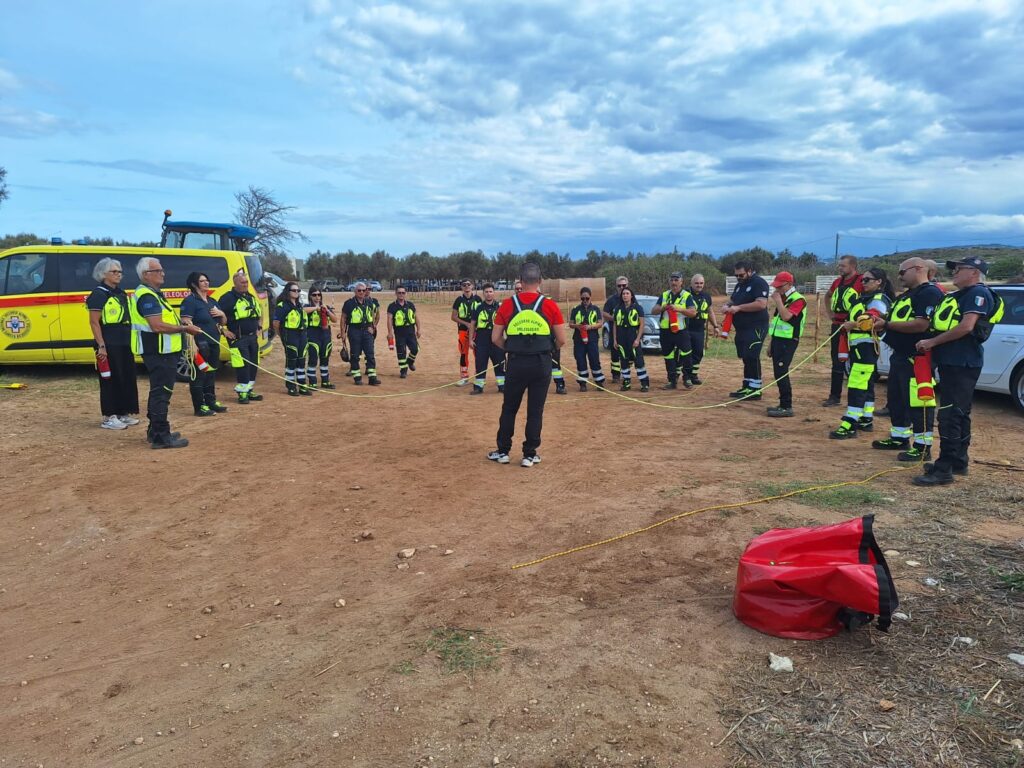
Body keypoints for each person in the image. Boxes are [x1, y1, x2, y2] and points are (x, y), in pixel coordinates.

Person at [912, 257, 1002, 486]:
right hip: (955, 361)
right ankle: (958, 462)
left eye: (959, 269)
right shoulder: (963, 294)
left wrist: (932, 341)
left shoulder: (976, 294)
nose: (954, 273)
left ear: (974, 272)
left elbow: (966, 326)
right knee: (959, 413)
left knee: (951, 414)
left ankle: (944, 469)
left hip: (962, 362)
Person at [487, 263, 566, 467]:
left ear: (520, 282)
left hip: (516, 362)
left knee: (509, 408)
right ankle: (529, 454)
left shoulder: (507, 304)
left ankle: (503, 451)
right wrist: (548, 350)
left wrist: (511, 348)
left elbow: (495, 338)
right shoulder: (550, 305)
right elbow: (562, 339)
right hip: (541, 364)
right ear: (540, 282)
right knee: (535, 410)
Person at [872, 257, 944, 460]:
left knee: (919, 402)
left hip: (918, 359)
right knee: (897, 399)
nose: (899, 276)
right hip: (901, 356)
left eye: (902, 272)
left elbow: (921, 324)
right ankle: (899, 437)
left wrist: (886, 326)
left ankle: (922, 447)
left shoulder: (929, 292)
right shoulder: (908, 294)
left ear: (918, 269)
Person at [128, 256, 201, 448]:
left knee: (159, 391)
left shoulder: (153, 293)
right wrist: (185, 329)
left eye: (161, 270)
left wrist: (180, 323)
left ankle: (155, 431)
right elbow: (157, 326)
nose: (162, 274)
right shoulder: (147, 296)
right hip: (158, 352)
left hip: (163, 351)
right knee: (162, 392)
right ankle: (161, 436)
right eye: (157, 271)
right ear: (146, 275)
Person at [828, 268, 894, 437]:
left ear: (879, 282)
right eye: (862, 280)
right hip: (858, 347)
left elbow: (874, 319)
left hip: (866, 348)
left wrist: (853, 325)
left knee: (857, 385)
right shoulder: (864, 298)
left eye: (867, 280)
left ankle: (850, 423)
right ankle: (866, 418)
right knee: (866, 383)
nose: (862, 283)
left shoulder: (878, 299)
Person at [86, 257, 139, 430]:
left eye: (119, 272)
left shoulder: (121, 293)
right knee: (110, 379)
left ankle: (123, 413)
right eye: (114, 272)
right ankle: (109, 416)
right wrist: (101, 345)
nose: (118, 275)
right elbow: (94, 322)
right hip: (109, 342)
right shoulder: (98, 294)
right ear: (103, 274)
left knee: (126, 377)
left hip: (124, 342)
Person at [180, 271, 229, 416]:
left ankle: (211, 402)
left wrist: (222, 315)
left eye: (207, 280)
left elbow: (223, 322)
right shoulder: (190, 301)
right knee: (199, 374)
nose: (206, 283)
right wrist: (192, 345)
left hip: (214, 342)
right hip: (199, 343)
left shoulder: (212, 301)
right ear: (194, 284)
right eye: (202, 281)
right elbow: (185, 322)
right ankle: (199, 406)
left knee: (211, 373)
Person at [723, 260, 770, 400]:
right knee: (745, 356)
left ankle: (755, 389)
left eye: (741, 275)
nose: (738, 278)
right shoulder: (740, 285)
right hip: (742, 328)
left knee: (752, 355)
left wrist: (738, 308)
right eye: (736, 275)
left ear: (750, 271)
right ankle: (748, 385)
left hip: (756, 326)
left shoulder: (759, 283)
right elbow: (733, 300)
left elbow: (761, 304)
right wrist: (727, 306)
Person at [764, 272, 807, 417]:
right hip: (778, 340)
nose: (777, 289)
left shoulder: (798, 299)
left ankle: (787, 406)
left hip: (788, 342)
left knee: (782, 372)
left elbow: (786, 316)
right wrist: (771, 344)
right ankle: (782, 404)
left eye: (779, 286)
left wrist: (778, 301)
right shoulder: (783, 298)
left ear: (789, 285)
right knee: (778, 372)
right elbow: (777, 323)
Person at [219, 270, 264, 404]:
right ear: (235, 283)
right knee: (242, 365)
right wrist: (223, 331)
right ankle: (242, 393)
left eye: (246, 282)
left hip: (252, 338)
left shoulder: (250, 297)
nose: (245, 284)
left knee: (253, 364)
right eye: (243, 282)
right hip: (238, 339)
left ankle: (249, 390)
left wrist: (259, 328)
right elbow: (215, 316)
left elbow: (259, 313)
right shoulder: (227, 298)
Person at [823, 255, 863, 406]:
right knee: (837, 361)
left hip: (855, 327)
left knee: (856, 362)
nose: (840, 268)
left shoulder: (861, 281)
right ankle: (834, 396)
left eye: (843, 266)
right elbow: (828, 296)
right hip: (838, 327)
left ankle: (856, 398)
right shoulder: (837, 282)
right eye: (839, 266)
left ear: (853, 266)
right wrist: (830, 315)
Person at [652, 271, 698, 389]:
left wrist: (679, 309)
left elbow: (693, 312)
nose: (674, 282)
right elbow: (654, 311)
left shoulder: (687, 296)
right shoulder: (664, 295)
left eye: (676, 280)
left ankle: (687, 378)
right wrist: (663, 307)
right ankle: (672, 381)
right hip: (666, 331)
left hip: (680, 331)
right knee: (668, 356)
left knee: (687, 354)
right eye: (672, 280)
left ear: (681, 282)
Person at [273, 281, 314, 396]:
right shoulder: (282, 306)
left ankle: (302, 385)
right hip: (290, 334)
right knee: (291, 360)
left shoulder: (299, 305)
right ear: (288, 291)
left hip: (302, 334)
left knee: (301, 360)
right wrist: (282, 336)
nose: (297, 292)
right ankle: (291, 386)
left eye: (298, 290)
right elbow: (276, 323)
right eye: (294, 290)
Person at [339, 282, 380, 385]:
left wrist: (373, 326)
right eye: (359, 290)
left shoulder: (369, 302)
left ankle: (372, 377)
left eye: (364, 290)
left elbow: (374, 315)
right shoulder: (349, 303)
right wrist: (343, 332)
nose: (362, 292)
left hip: (367, 331)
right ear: (355, 291)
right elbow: (343, 318)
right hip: (354, 330)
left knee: (370, 354)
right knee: (355, 354)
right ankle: (357, 377)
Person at [467, 283, 505, 394]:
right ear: (483, 294)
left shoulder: (500, 307)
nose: (488, 294)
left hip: (497, 339)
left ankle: (502, 386)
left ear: (494, 293)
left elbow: (506, 324)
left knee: (500, 363)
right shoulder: (478, 308)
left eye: (490, 291)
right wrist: (470, 340)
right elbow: (472, 324)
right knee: (480, 363)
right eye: (486, 292)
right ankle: (478, 387)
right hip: (481, 340)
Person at [612, 287, 650, 392]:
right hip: (621, 338)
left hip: (633, 336)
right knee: (624, 361)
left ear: (631, 295)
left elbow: (642, 324)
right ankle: (626, 382)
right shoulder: (618, 308)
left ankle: (644, 383)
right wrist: (615, 339)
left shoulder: (638, 308)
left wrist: (638, 339)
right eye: (623, 294)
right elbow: (615, 325)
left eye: (627, 293)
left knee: (638, 361)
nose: (625, 295)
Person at [568, 287, 605, 391]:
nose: (584, 301)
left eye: (587, 298)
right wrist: (577, 326)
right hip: (578, 339)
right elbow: (570, 324)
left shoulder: (596, 309)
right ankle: (583, 383)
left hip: (592, 338)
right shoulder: (575, 309)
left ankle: (599, 382)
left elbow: (600, 323)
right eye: (583, 298)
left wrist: (590, 327)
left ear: (590, 297)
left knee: (594, 360)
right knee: (580, 360)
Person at [688, 274, 718, 385]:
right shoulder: (685, 295)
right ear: (691, 284)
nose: (699, 285)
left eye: (701, 283)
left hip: (699, 330)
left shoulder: (706, 296)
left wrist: (715, 326)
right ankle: (676, 376)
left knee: (698, 353)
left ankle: (693, 375)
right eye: (696, 283)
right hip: (686, 329)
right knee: (684, 354)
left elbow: (710, 311)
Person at [305, 288, 338, 389]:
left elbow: (334, 319)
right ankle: (312, 381)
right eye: (314, 295)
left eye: (319, 295)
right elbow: (303, 311)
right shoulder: (307, 306)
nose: (317, 297)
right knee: (313, 359)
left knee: (325, 359)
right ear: (310, 296)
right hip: (313, 335)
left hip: (325, 335)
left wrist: (327, 310)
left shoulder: (326, 307)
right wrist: (316, 308)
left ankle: (325, 381)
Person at [452, 279, 482, 385]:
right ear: (461, 287)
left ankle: (479, 376)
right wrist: (466, 324)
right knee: (464, 353)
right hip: (463, 331)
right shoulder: (458, 300)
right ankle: (464, 377)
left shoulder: (478, 299)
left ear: (472, 286)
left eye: (468, 284)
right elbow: (454, 317)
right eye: (464, 285)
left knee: (478, 353)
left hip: (477, 331)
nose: (466, 286)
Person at [386, 285, 420, 378]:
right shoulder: (392, 306)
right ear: (396, 294)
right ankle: (403, 371)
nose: (401, 294)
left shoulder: (410, 305)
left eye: (403, 293)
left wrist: (419, 329)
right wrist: (390, 333)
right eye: (399, 292)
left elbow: (416, 317)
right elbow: (389, 319)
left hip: (410, 332)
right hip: (399, 333)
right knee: (401, 352)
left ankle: (410, 361)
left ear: (405, 294)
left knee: (415, 349)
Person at [602, 276, 629, 381]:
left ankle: (626, 372)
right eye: (619, 285)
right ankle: (616, 375)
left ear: (627, 285)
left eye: (624, 285)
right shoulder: (611, 300)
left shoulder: (631, 298)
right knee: (615, 354)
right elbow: (604, 313)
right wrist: (614, 318)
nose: (621, 287)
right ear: (616, 286)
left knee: (628, 353)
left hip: (628, 331)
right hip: (615, 330)